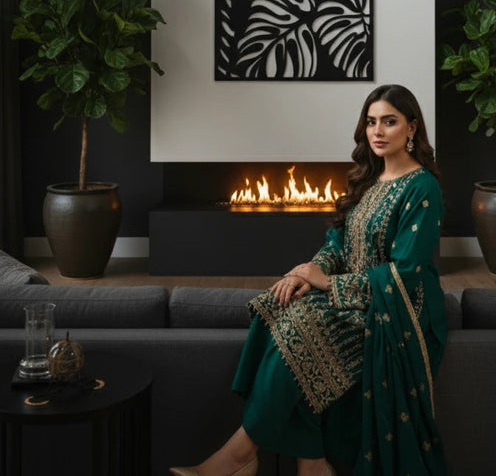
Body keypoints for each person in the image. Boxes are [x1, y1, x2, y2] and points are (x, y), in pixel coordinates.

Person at [170, 84, 448, 476]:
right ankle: (312, 462)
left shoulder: (422, 187)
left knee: (304, 325)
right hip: (356, 295)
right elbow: (338, 243)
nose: (378, 131)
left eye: (390, 121)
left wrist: (330, 285)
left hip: (398, 306)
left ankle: (240, 455)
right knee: (278, 305)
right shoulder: (369, 179)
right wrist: (306, 274)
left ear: (412, 128)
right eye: (371, 122)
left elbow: (403, 273)